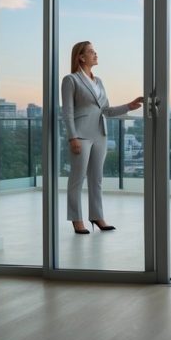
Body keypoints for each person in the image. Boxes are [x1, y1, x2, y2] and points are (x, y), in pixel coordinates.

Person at [61, 41, 144, 235]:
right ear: (81, 57)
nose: (95, 54)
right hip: (80, 135)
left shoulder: (99, 81)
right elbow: (67, 112)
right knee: (77, 179)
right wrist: (72, 137)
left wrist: (128, 106)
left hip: (100, 134)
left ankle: (97, 216)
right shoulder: (70, 80)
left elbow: (106, 110)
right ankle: (76, 219)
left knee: (96, 178)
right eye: (91, 52)